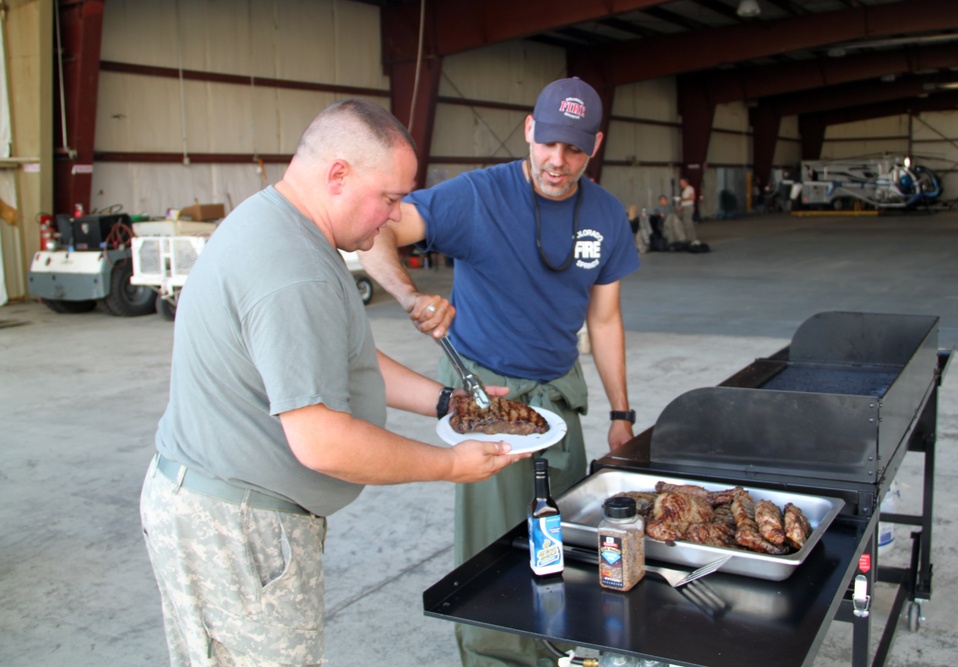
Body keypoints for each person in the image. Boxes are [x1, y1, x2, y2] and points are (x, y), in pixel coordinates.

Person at [139, 99, 529, 667]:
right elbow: (323, 441)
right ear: (339, 175)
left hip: (227, 509)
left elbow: (340, 357)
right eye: (390, 199)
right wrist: (450, 465)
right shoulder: (291, 267)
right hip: (236, 527)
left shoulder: (284, 227)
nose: (396, 218)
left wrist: (448, 402)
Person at [359, 77, 641, 667]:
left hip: (559, 395)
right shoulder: (476, 197)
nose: (558, 162)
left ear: (595, 146)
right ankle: (495, 656)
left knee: (563, 534)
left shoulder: (608, 215)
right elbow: (376, 227)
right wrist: (409, 293)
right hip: (485, 391)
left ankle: (561, 650)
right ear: (530, 130)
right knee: (494, 546)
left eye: (575, 150)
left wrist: (620, 414)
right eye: (549, 144)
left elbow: (606, 320)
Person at [676, 177, 700, 245]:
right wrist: (680, 207)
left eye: (681, 182)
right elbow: (683, 201)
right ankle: (686, 237)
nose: (680, 184)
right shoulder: (683, 190)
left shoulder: (690, 188)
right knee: (683, 221)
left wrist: (682, 199)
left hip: (688, 207)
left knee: (688, 222)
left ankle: (692, 238)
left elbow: (692, 197)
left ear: (685, 182)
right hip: (684, 206)